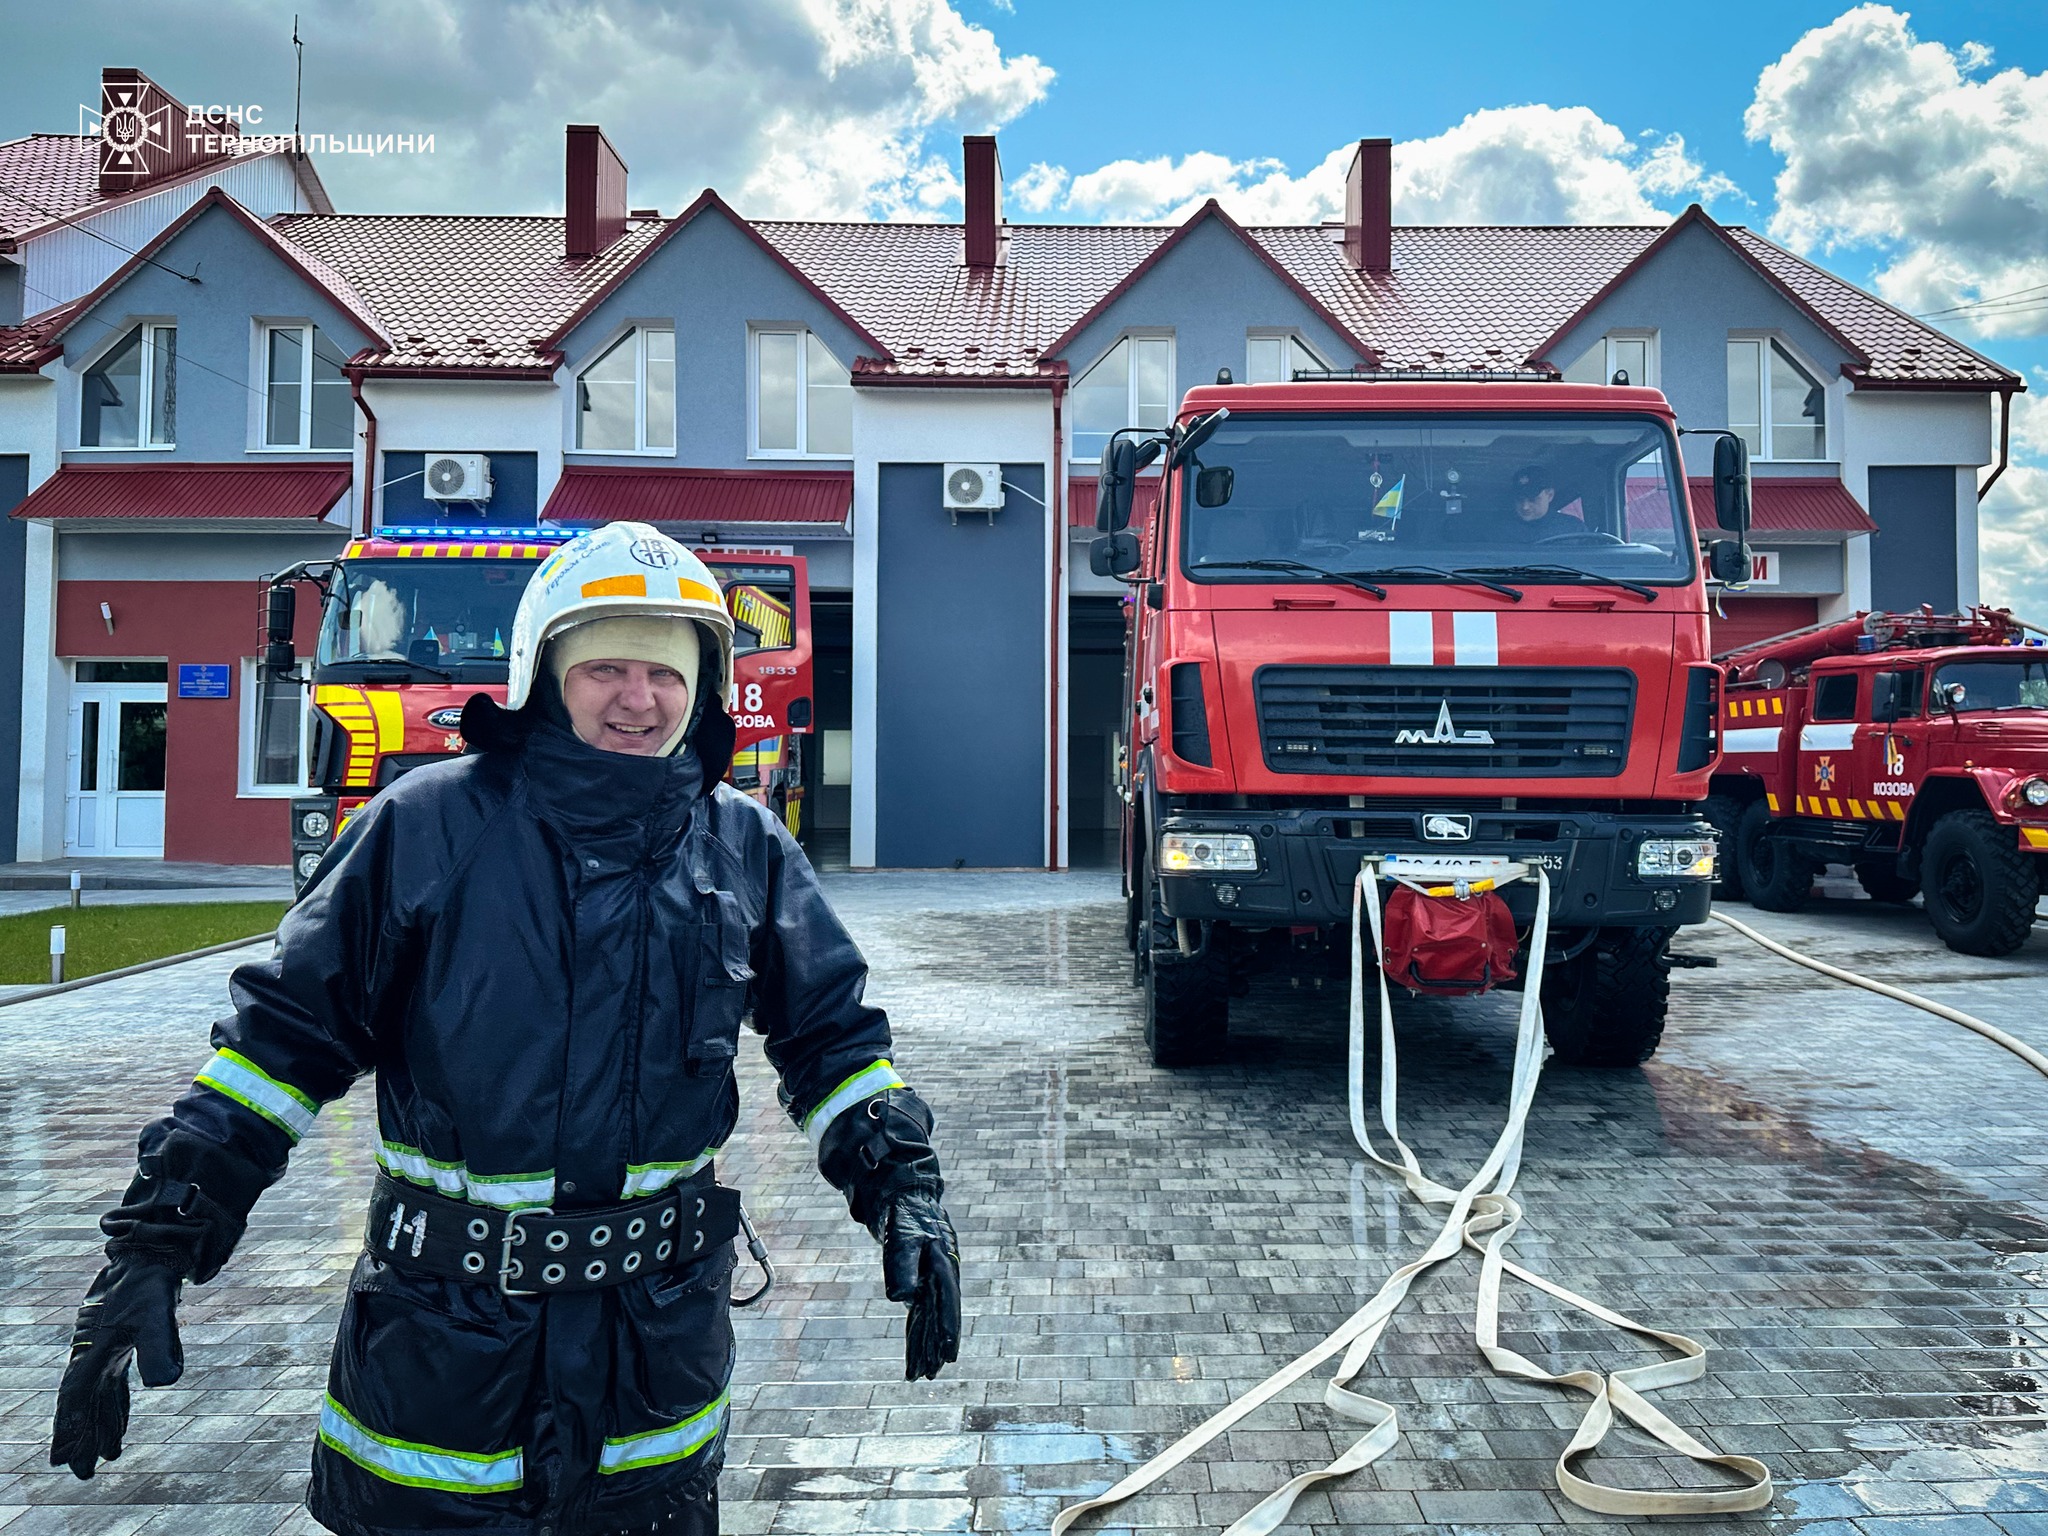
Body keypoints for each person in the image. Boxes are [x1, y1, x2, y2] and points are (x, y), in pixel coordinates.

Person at [50, 522, 961, 1536]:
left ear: (702, 688)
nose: (637, 697)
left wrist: (901, 1187)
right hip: (442, 1367)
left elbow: (832, 1042)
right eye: (604, 667)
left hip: (651, 1369)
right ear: (543, 673)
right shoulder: (424, 826)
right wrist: (154, 1248)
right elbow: (275, 1054)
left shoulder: (739, 844)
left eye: (663, 672)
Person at [1502, 464, 1575, 542]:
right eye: (1520, 499)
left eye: (1532, 499)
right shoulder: (1501, 531)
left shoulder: (1573, 529)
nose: (1525, 507)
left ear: (1550, 495)